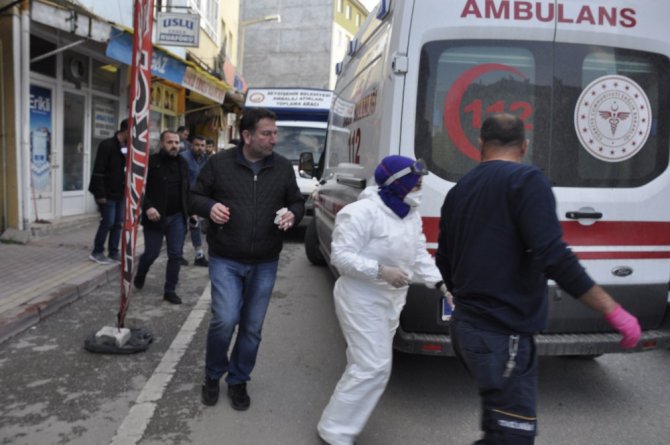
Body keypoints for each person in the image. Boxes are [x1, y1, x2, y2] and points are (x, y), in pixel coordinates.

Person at [435, 113, 641, 445]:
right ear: (524, 146)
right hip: (503, 338)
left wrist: (472, 297)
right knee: (512, 437)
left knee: (499, 428)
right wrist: (612, 310)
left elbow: (443, 260)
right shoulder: (527, 181)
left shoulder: (459, 191)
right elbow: (554, 257)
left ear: (480, 145)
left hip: (468, 331)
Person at [317, 155, 451, 445]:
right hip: (360, 298)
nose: (419, 189)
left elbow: (418, 253)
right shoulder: (361, 212)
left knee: (363, 363)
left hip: (391, 300)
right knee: (373, 366)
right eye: (415, 184)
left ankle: (337, 424)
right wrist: (380, 271)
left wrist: (441, 283)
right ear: (397, 183)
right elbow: (341, 256)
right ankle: (335, 432)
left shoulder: (408, 213)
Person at [190, 107, 305, 411]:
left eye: (275, 133)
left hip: (265, 260)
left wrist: (294, 213)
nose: (274, 139)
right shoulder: (218, 164)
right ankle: (213, 375)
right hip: (226, 258)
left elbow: (296, 200)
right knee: (225, 319)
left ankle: (238, 379)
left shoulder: (281, 167)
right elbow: (194, 196)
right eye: (267, 133)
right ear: (246, 136)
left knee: (252, 327)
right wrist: (209, 206)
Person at [133, 130, 190, 305]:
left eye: (176, 142)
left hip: (177, 217)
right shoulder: (151, 162)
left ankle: (170, 290)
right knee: (151, 253)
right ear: (161, 144)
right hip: (155, 218)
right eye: (170, 142)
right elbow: (138, 189)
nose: (174, 145)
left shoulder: (182, 163)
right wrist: (148, 206)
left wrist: (191, 211)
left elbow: (187, 189)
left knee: (175, 255)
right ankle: (141, 272)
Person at [88, 119, 128, 264]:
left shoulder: (128, 147)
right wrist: (100, 194)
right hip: (106, 192)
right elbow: (98, 171)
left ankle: (113, 252)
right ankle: (97, 251)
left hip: (121, 192)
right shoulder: (108, 145)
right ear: (126, 131)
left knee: (118, 223)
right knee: (108, 222)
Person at [180, 135, 209, 267]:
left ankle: (199, 256)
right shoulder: (183, 158)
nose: (200, 148)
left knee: (195, 226)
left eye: (202, 145)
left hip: (196, 198)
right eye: (197, 145)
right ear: (191, 145)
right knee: (182, 227)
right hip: (182, 197)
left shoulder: (205, 159)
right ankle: (178, 255)